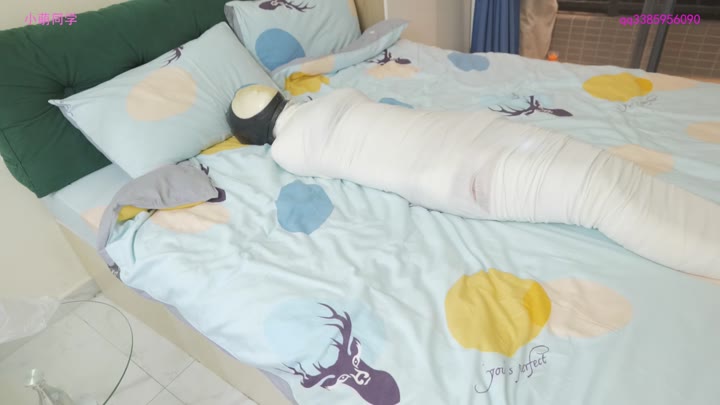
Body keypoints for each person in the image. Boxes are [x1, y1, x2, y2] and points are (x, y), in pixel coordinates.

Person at [227, 84, 720, 278]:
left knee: (602, 187)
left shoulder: (288, 149)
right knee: (602, 185)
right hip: (470, 144)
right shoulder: (333, 97)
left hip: (458, 165)